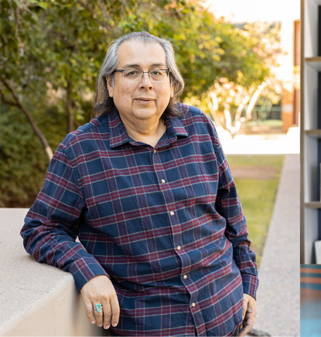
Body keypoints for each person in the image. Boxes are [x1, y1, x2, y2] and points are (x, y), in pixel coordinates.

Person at [21, 31, 257, 337]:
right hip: (153, 325)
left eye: (157, 72)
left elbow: (231, 213)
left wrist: (249, 282)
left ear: (171, 83)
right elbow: (40, 228)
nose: (146, 82)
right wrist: (88, 272)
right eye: (132, 72)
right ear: (110, 83)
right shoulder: (80, 151)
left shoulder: (199, 127)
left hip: (226, 313)